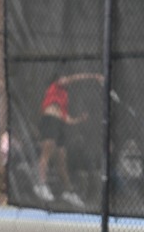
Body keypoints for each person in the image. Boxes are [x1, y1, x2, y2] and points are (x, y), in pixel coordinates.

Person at [33, 72, 103, 207]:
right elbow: (74, 78)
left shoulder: (65, 96)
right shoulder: (53, 88)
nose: (65, 80)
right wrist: (93, 76)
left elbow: (67, 119)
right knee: (46, 154)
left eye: (65, 77)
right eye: (63, 78)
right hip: (49, 121)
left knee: (62, 160)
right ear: (57, 80)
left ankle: (68, 191)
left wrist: (79, 119)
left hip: (60, 124)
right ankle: (41, 185)